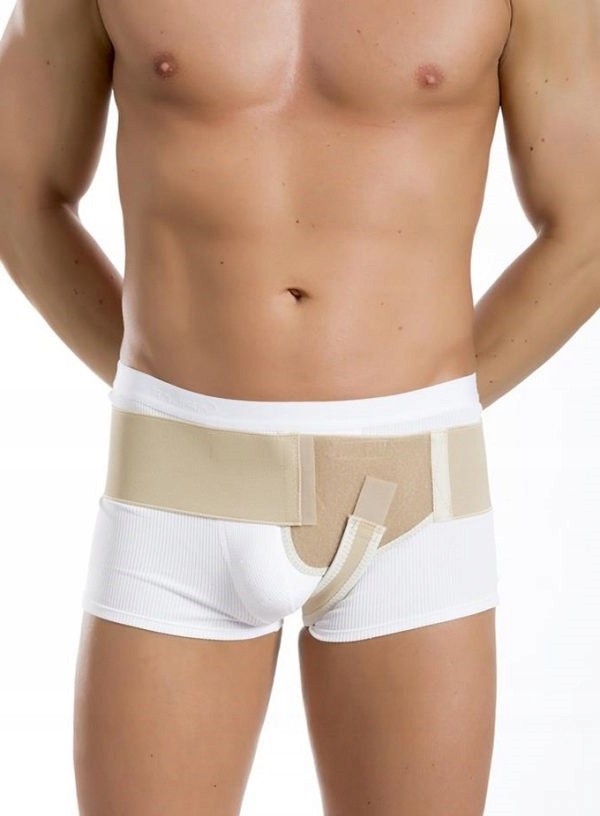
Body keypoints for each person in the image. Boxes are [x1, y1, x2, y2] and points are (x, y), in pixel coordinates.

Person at [0, 0, 598, 813]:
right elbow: (16, 188)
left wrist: (431, 410)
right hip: (177, 496)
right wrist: (167, 395)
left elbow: (589, 223)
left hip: (413, 503)